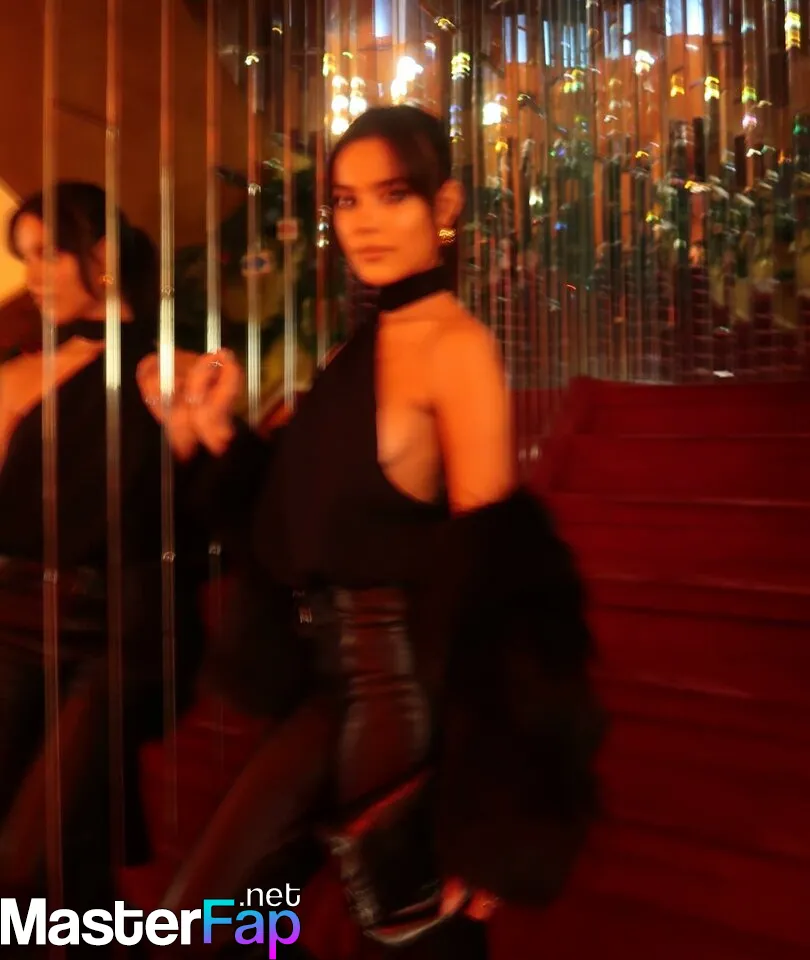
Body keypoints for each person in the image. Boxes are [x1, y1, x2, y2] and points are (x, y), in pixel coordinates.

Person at [138, 105, 604, 958]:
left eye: (392, 195)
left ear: (445, 204)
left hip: (395, 701)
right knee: (218, 918)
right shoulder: (359, 347)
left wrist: (495, 809)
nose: (365, 222)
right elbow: (298, 529)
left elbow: (502, 585)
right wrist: (210, 433)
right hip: (324, 689)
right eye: (346, 201)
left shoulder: (454, 346)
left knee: (367, 937)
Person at [0, 181, 207, 942]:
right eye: (25, 258)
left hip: (114, 635)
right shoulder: (21, 367)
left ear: (104, 254)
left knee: (29, 859)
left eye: (48, 254)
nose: (33, 276)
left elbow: (200, 512)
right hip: (13, 618)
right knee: (66, 855)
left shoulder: (170, 368)